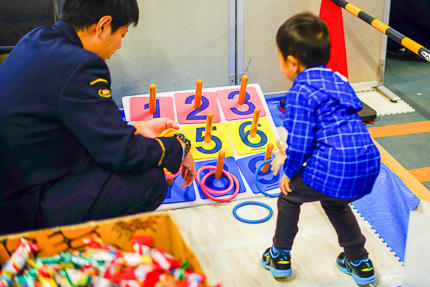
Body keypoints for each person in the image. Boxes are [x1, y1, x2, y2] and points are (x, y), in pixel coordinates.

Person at [0, 0, 196, 235]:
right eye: (122, 34)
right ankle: (86, 255)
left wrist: (133, 130)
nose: (120, 45)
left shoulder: (38, 39)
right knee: (149, 181)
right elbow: (122, 153)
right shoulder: (82, 66)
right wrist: (178, 146)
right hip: (24, 209)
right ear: (103, 25)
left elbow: (78, 121)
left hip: (15, 186)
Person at [260, 12, 381, 285]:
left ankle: (279, 256)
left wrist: (289, 170)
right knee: (335, 203)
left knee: (289, 196)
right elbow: (345, 118)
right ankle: (359, 261)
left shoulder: (300, 92)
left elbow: (301, 142)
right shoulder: (338, 80)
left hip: (335, 166)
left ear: (292, 63)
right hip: (368, 161)